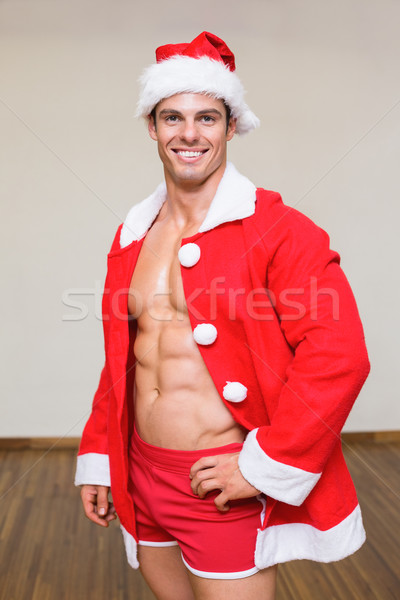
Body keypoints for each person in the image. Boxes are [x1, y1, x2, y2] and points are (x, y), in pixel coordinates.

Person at [75, 32, 370, 600]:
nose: (189, 134)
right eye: (172, 118)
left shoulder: (282, 231)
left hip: (221, 485)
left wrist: (264, 467)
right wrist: (100, 457)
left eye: (207, 118)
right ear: (152, 127)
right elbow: (124, 361)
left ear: (231, 126)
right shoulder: (132, 236)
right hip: (141, 474)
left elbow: (340, 357)